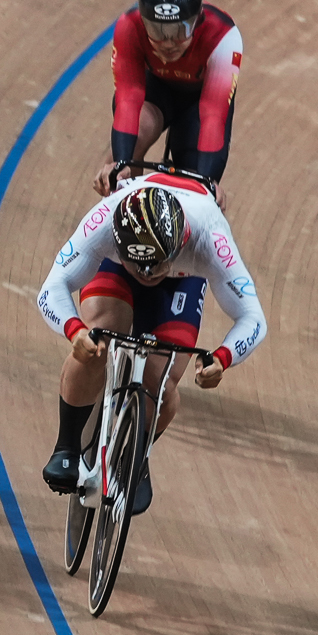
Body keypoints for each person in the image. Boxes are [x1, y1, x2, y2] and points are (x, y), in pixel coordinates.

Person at [37, 171, 267, 514]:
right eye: (139, 266)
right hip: (115, 268)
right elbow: (52, 287)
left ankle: (136, 458)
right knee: (97, 338)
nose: (146, 275)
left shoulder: (209, 235)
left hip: (181, 280)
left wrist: (222, 357)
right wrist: (74, 330)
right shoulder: (105, 219)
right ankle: (67, 447)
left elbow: (253, 318)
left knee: (161, 382)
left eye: (155, 266)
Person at [91, 0, 243, 202]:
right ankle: (125, 216)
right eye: (157, 31)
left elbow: (213, 114)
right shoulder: (129, 25)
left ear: (197, 21)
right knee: (124, 160)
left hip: (201, 101)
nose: (169, 43)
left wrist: (207, 183)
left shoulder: (222, 35)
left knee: (196, 190)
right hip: (157, 91)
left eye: (180, 31)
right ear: (143, 22)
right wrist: (120, 165)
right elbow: (129, 98)